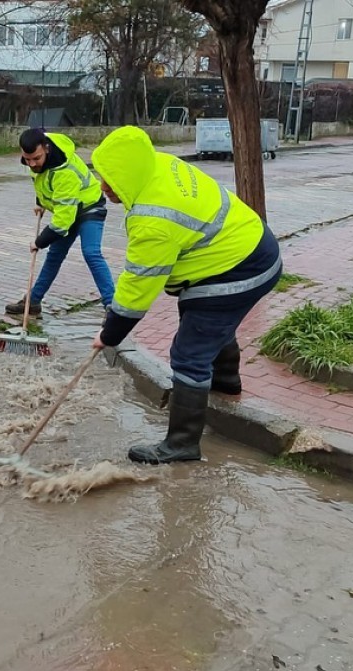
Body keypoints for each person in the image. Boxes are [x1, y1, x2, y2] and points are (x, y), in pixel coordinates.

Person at [90, 126, 282, 464]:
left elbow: (139, 287)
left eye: (109, 179)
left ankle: (182, 444)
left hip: (237, 268)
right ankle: (225, 382)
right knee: (205, 322)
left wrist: (110, 333)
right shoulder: (157, 165)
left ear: (128, 173)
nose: (104, 187)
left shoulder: (153, 217)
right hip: (251, 247)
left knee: (189, 351)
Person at [5, 128, 116, 317]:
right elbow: (42, 182)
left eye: (36, 159)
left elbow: (62, 223)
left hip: (89, 208)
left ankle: (112, 305)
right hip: (67, 209)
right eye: (27, 159)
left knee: (91, 252)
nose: (32, 164)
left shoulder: (65, 171)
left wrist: (39, 242)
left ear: (46, 149)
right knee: (54, 256)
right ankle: (33, 302)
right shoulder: (36, 158)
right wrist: (40, 203)